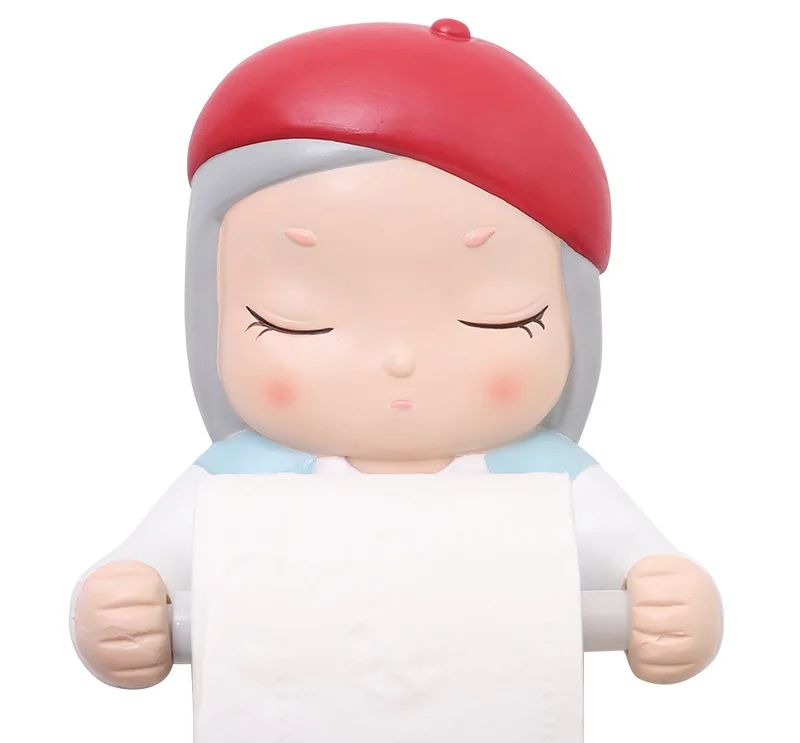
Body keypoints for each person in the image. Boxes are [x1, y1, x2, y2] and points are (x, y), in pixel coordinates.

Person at [70, 18, 722, 695]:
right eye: (297, 322)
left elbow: (651, 572)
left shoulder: (550, 478)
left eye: (496, 317)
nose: (400, 358)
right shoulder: (236, 483)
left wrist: (674, 603)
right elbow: (135, 577)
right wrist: (120, 608)